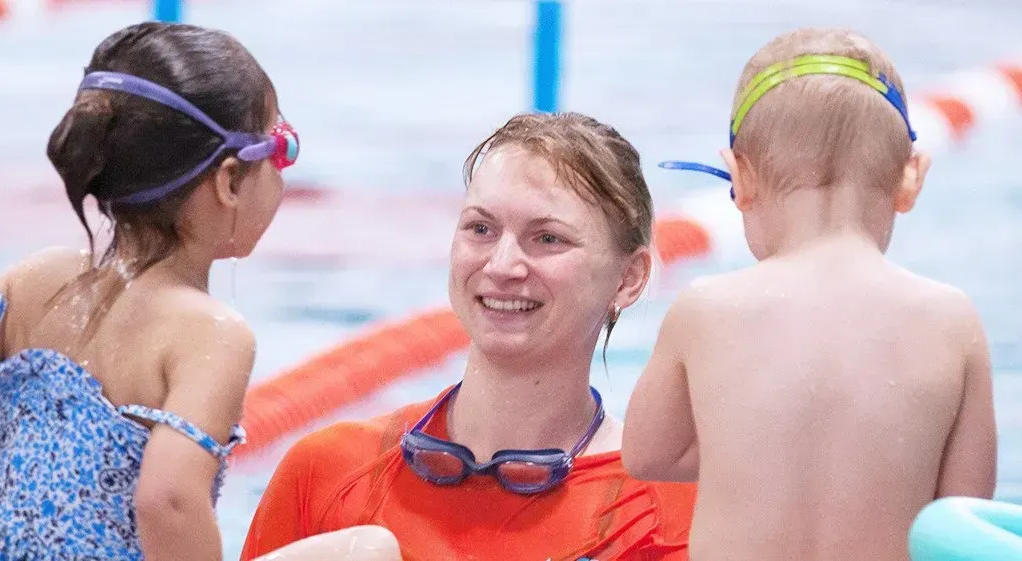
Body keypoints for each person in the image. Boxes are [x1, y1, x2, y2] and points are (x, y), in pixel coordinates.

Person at [0, 21, 396, 561]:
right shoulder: (212, 333)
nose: (285, 173)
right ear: (228, 181)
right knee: (369, 548)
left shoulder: (37, 279)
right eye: (281, 148)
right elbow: (169, 501)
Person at [239, 112, 697, 561]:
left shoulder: (667, 510)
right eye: (481, 229)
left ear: (628, 278)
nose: (501, 266)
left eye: (548, 239)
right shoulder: (328, 472)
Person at [622, 27, 998, 561]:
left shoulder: (705, 309)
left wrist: (753, 444)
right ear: (911, 178)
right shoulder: (951, 321)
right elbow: (965, 520)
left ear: (740, 176)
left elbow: (646, 454)